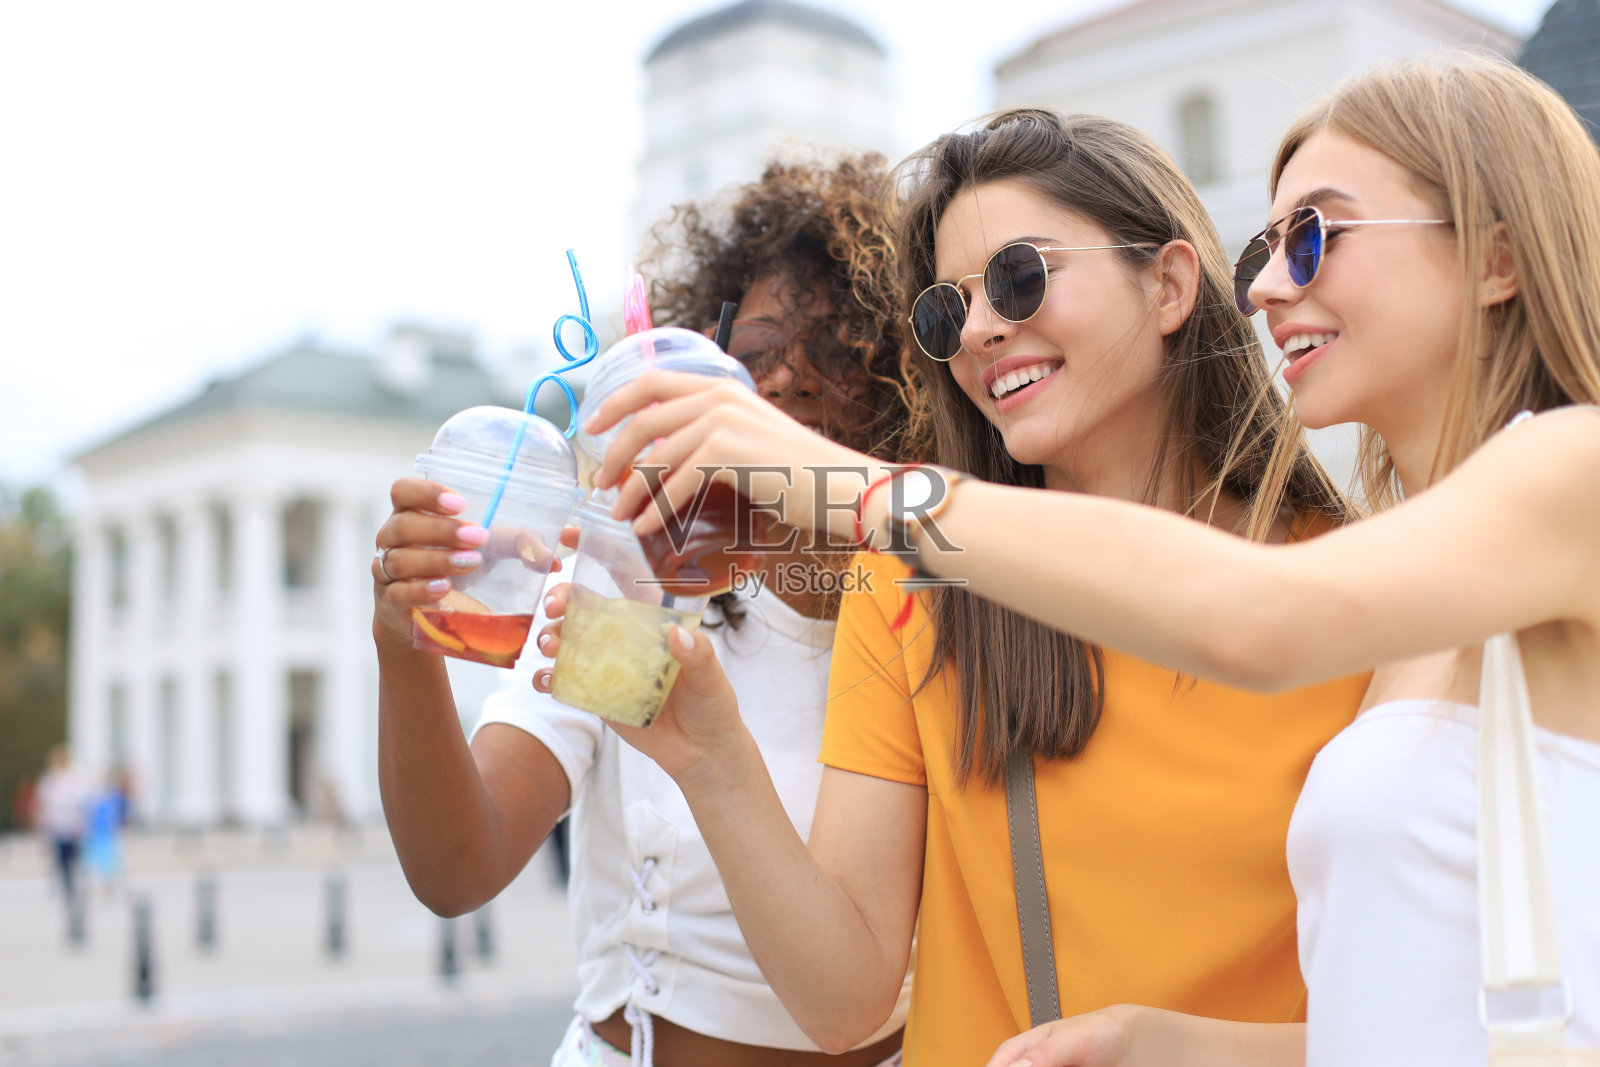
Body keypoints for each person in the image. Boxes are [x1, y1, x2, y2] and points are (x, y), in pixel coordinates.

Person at [589, 58, 1600, 1066]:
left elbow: (1252, 615)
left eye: (1315, 237)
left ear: (1169, 284)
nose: (1265, 286)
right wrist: (712, 756)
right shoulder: (920, 582)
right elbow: (1396, 1019)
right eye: (944, 312)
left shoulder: (1432, 541)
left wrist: (828, 478)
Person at [371, 155, 919, 1067]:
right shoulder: (644, 601)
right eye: (756, 354)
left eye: (834, 350)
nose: (787, 379)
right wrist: (404, 645)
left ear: (903, 380)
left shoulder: (937, 609)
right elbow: (459, 864)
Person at [33, 745, 92, 903]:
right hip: (57, 823)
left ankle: (77, 882)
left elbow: (83, 799)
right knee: (61, 856)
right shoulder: (49, 779)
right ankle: (67, 884)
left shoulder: (75, 777)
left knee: (75, 855)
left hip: (73, 823)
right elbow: (44, 801)